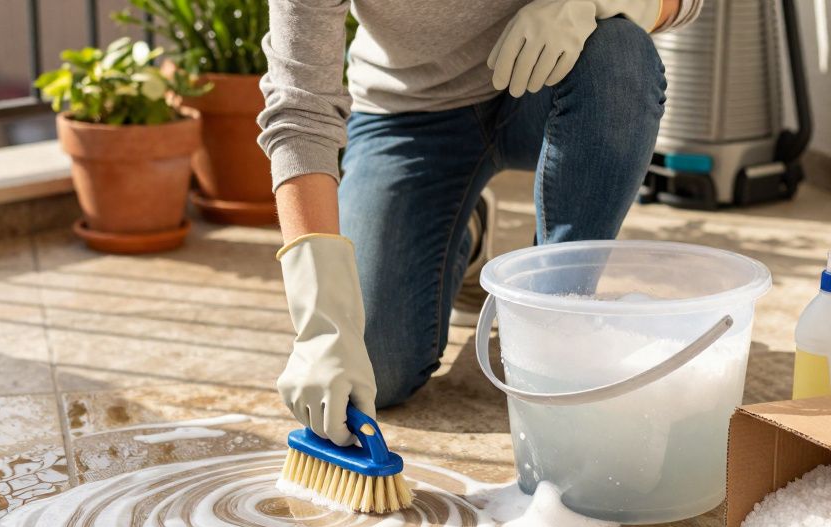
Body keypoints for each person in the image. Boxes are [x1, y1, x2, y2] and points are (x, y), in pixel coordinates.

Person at [258, 0, 701, 445]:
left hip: (553, 75)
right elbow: (300, 110)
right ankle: (464, 231)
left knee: (621, 56)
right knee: (377, 368)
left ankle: (555, 320)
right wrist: (321, 322)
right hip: (411, 114)